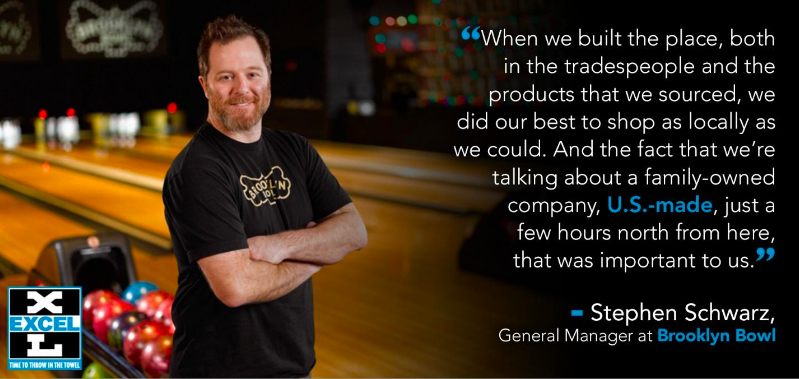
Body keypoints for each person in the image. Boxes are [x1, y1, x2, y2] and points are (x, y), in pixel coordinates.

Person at [162, 15, 368, 377]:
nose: (242, 88)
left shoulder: (295, 150)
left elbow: (353, 232)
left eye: (253, 73)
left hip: (295, 368)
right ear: (204, 85)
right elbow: (236, 287)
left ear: (269, 77)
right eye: (226, 77)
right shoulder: (198, 169)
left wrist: (279, 246)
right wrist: (316, 256)